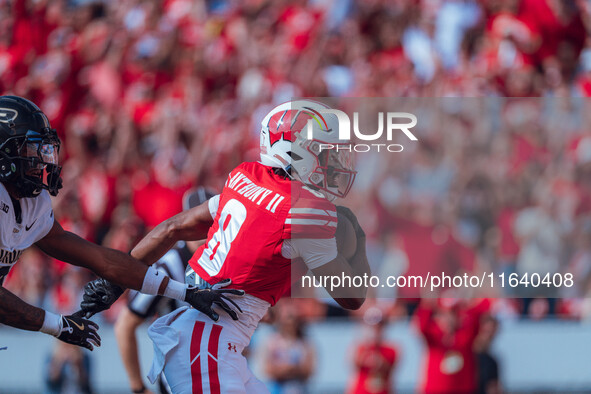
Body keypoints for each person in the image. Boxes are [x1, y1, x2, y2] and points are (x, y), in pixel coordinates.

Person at [78, 99, 371, 393]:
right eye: (324, 152)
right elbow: (352, 297)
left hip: (211, 342)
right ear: (293, 152)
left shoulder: (246, 177)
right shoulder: (304, 212)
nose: (335, 160)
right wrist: (358, 240)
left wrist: (113, 283)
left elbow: (173, 227)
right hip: (206, 345)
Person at [0, 95, 242, 353]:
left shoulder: (33, 202)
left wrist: (185, 293)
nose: (43, 159)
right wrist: (57, 325)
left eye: (45, 149)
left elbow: (100, 259)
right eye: (32, 149)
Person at [114, 187, 215, 394]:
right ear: (186, 223)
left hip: (221, 374)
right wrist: (138, 387)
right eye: (199, 223)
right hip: (183, 380)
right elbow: (124, 325)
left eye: (212, 224)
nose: (205, 233)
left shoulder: (226, 260)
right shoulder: (169, 267)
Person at [262, 302, 316, 394]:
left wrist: (293, 369)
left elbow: (309, 370)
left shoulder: (304, 343)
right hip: (277, 388)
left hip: (299, 388)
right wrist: (286, 369)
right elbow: (268, 369)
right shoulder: (272, 341)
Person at [348, 308, 398, 394]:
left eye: (379, 326)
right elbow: (354, 364)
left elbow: (389, 368)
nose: (376, 329)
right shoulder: (361, 347)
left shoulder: (391, 350)